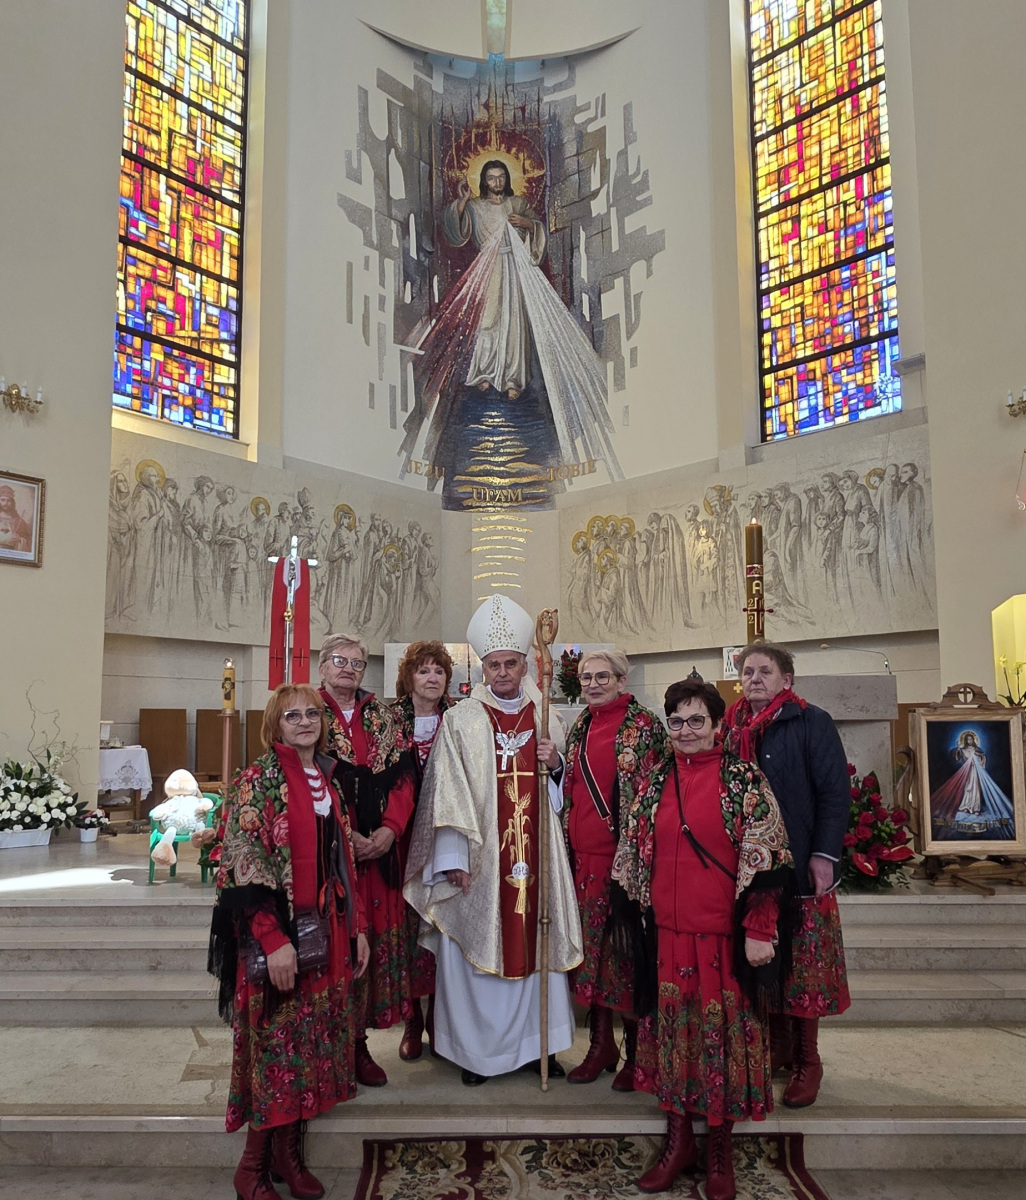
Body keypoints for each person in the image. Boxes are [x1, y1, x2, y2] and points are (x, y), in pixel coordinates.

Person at [613, 678, 794, 1199]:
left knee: (721, 1047)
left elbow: (769, 860)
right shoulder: (655, 781)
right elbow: (631, 851)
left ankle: (718, 1150)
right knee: (674, 1044)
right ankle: (678, 1142)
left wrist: (759, 930)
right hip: (667, 940)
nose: (686, 730)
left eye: (697, 720)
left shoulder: (743, 781)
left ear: (717, 725)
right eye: (677, 721)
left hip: (721, 943)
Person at [404, 594, 583, 1085]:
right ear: (482, 667)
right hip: (480, 861)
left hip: (536, 854)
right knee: (476, 949)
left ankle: (535, 1048)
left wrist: (555, 765)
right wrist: (452, 858)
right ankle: (476, 1054)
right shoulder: (462, 718)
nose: (502, 672)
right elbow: (445, 792)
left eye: (511, 663)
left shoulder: (547, 714)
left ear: (525, 665)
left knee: (537, 941)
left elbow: (564, 796)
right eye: (494, 664)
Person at [208, 684, 369, 1200]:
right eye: (292, 715)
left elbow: (343, 860)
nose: (304, 722)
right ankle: (251, 1169)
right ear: (274, 725)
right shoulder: (258, 779)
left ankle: (288, 1156)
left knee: (308, 1047)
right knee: (276, 1047)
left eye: (312, 714)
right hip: (281, 937)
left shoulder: (327, 776)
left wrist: (359, 928)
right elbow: (242, 862)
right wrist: (273, 939)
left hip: (328, 933)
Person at [721, 640, 851, 1109]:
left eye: (765, 671)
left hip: (798, 862)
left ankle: (807, 1059)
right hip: (750, 868)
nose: (754, 678)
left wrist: (824, 855)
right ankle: (777, 1046)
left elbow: (834, 794)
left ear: (786, 679)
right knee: (765, 959)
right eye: (748, 672)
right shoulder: (730, 726)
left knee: (804, 968)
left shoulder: (810, 721)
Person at [561, 650, 665, 1089]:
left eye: (603, 677)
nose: (594, 684)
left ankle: (637, 1055)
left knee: (625, 958)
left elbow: (657, 793)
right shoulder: (581, 725)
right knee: (592, 960)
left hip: (625, 864)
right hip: (582, 860)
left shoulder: (644, 726)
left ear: (622, 681)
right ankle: (601, 1044)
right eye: (587, 677)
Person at [317, 633, 416, 1088]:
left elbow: (405, 779)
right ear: (322, 667)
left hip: (379, 856)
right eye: (339, 660)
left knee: (369, 949)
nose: (348, 669)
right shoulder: (306, 712)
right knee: (336, 946)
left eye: (357, 663)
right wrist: (344, 835)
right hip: (329, 855)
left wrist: (390, 830)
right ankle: (329, 1046)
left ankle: (359, 1046)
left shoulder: (383, 716)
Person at [390, 640, 457, 1060]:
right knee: (406, 927)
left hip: (444, 837)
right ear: (409, 677)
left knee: (442, 921)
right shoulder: (388, 720)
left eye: (439, 671)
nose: (432, 678)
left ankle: (441, 1019)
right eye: (423, 670)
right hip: (398, 837)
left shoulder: (460, 719)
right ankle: (413, 1018)